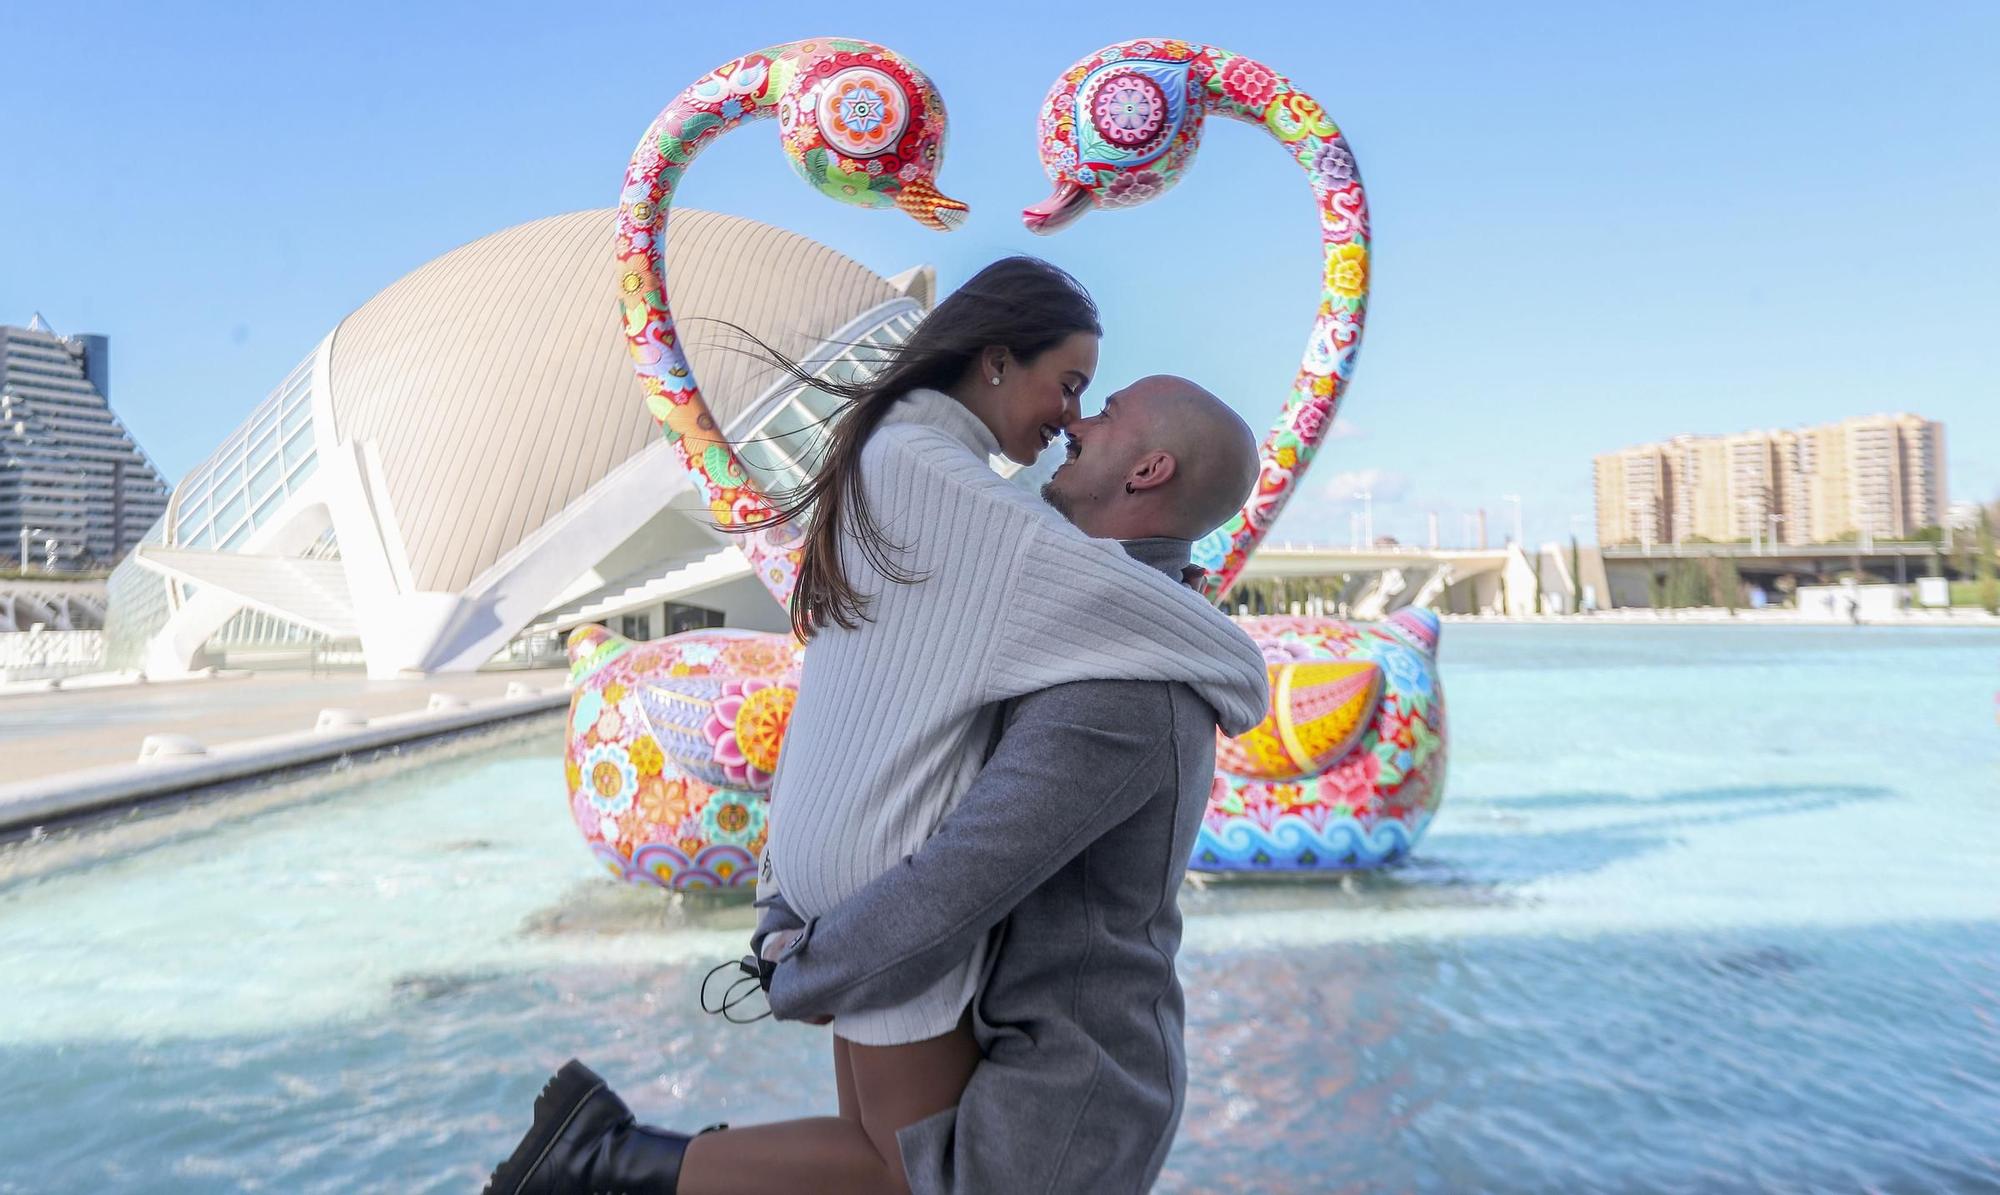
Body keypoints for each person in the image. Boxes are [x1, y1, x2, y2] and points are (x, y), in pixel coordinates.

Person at [484, 261, 1268, 1195]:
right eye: (1073, 391)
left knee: (889, 1175)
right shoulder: (1031, 574)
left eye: (1101, 408)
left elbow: (969, 866)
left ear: (1149, 469)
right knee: (886, 1168)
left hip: (1069, 1072)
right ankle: (606, 1159)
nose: (1075, 420)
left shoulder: (1131, 682)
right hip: (970, 997)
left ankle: (607, 1161)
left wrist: (812, 951)